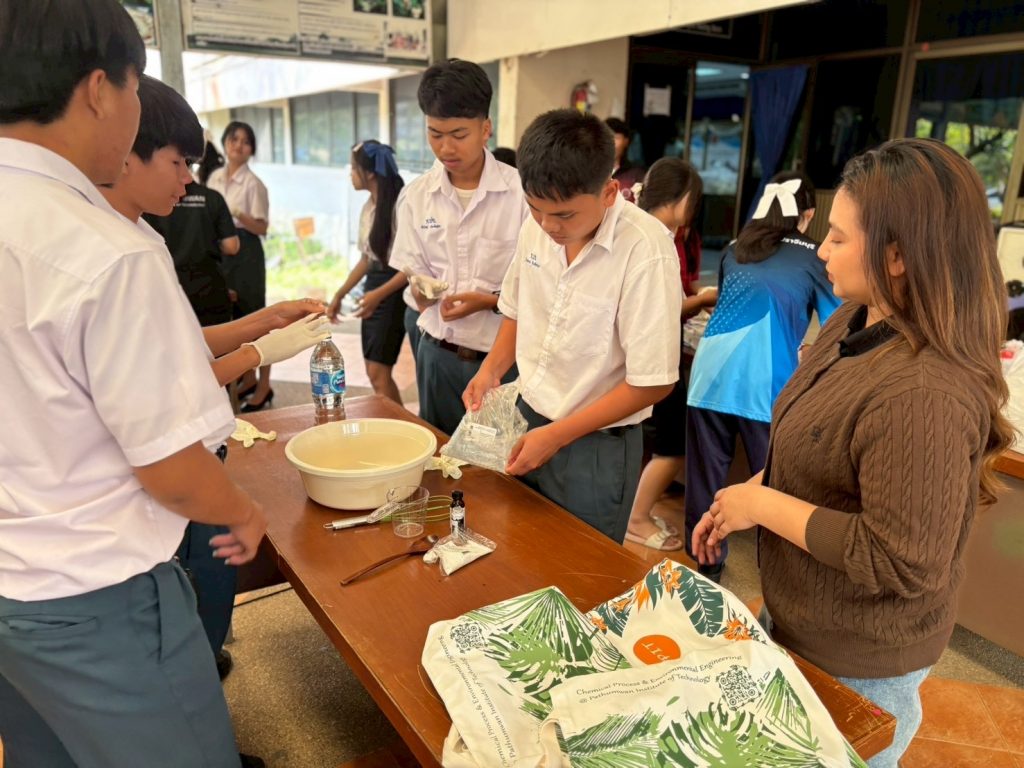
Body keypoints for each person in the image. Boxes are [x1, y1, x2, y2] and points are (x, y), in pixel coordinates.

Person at [0, 3, 268, 766]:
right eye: (133, 88)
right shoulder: (104, 249)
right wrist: (244, 514)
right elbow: (171, 468)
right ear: (98, 90)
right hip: (96, 598)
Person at [693, 138, 1013, 768]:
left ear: (897, 254)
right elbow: (814, 440)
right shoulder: (856, 316)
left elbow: (903, 560)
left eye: (838, 237)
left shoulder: (924, 390)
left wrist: (762, 502)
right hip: (799, 619)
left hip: (859, 659)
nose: (821, 251)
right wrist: (744, 498)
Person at [102, 75, 328, 682]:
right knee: (196, 599)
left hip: (197, 459)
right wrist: (260, 351)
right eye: (179, 163)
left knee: (209, 595)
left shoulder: (141, 234)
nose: (187, 180)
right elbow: (173, 381)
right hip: (173, 475)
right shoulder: (116, 256)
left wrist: (262, 320)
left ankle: (205, 660)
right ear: (124, 149)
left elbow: (181, 346)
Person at [463, 110, 682, 542]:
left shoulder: (646, 250)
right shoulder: (538, 226)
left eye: (563, 215)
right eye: (535, 209)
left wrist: (558, 435)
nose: (547, 225)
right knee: (515, 549)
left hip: (595, 446)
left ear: (608, 191)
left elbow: (653, 382)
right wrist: (490, 369)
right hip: (528, 419)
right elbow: (519, 309)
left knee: (578, 580)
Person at [684, 170, 839, 581]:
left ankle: (704, 567)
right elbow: (840, 326)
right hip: (765, 381)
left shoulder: (737, 247)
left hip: (708, 373)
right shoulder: (815, 256)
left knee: (706, 477)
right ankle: (780, 578)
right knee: (773, 484)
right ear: (806, 214)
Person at [389, 58, 527, 435]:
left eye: (458, 134)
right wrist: (421, 294)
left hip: (504, 365)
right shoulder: (416, 197)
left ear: (486, 128)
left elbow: (537, 283)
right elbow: (412, 273)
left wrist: (489, 301)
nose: (445, 147)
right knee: (440, 468)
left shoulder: (521, 195)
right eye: (435, 133)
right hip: (437, 355)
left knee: (500, 478)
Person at [623, 158, 717, 550]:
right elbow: (664, 309)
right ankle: (637, 519)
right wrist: (702, 299)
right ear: (683, 201)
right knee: (673, 445)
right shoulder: (658, 240)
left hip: (637, 360)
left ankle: (637, 510)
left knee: (661, 442)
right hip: (653, 364)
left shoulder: (632, 227)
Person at [327, 141, 408, 404]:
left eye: (353, 168)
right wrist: (341, 293)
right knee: (374, 372)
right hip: (374, 287)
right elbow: (366, 258)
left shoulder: (400, 205)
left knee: (379, 371)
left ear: (369, 172)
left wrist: (377, 295)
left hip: (393, 290)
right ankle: (397, 429)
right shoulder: (369, 207)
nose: (351, 174)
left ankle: (402, 434)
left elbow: (411, 267)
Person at [208, 120, 274, 411]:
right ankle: (245, 379)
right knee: (231, 318)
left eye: (245, 141)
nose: (238, 145)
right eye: (233, 139)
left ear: (251, 150)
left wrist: (236, 213)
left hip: (246, 250)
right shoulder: (213, 178)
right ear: (224, 142)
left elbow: (262, 227)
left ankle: (263, 386)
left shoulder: (254, 184)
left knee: (256, 318)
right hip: (219, 248)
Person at [145, 141, 239, 328]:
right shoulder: (213, 198)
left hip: (172, 290)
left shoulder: (152, 204)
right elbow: (231, 246)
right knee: (218, 352)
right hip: (210, 290)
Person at [605, 117, 645, 195]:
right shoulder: (591, 173)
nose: (611, 143)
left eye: (616, 137)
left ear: (626, 141)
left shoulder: (636, 174)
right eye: (606, 138)